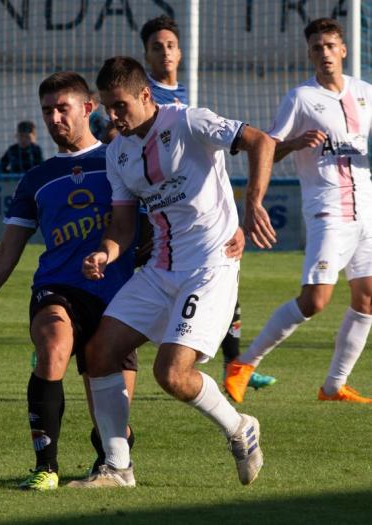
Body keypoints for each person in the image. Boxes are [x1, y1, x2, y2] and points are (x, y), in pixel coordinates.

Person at [67, 56, 276, 489]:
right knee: (99, 352)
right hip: (159, 270)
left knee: (172, 374)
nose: (113, 116)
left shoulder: (190, 122)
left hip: (209, 268)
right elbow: (123, 226)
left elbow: (261, 141)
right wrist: (106, 253)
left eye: (120, 105)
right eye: (107, 107)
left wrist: (253, 202)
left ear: (146, 95)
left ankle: (240, 427)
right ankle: (118, 467)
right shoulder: (118, 152)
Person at [0, 72, 141, 491]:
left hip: (118, 298)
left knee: (113, 429)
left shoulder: (122, 161)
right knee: (53, 346)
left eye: (63, 108)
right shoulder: (36, 180)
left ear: (88, 108)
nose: (55, 118)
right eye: (47, 110)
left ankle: (110, 459)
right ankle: (46, 466)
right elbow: (7, 253)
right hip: (58, 289)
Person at [225, 18, 372, 404]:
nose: (324, 53)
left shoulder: (364, 93)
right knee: (315, 300)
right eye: (316, 48)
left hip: (366, 211)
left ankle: (333, 386)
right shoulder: (301, 98)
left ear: (343, 49)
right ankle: (244, 364)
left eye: (329, 46)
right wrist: (294, 144)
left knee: (368, 296)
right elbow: (268, 146)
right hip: (328, 211)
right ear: (310, 54)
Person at [139, 14, 276, 391]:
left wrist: (231, 218)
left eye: (170, 45)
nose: (165, 52)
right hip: (151, 222)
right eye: (156, 47)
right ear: (146, 55)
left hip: (193, 223)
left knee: (221, 275)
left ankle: (233, 364)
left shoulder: (183, 100)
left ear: (180, 53)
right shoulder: (142, 99)